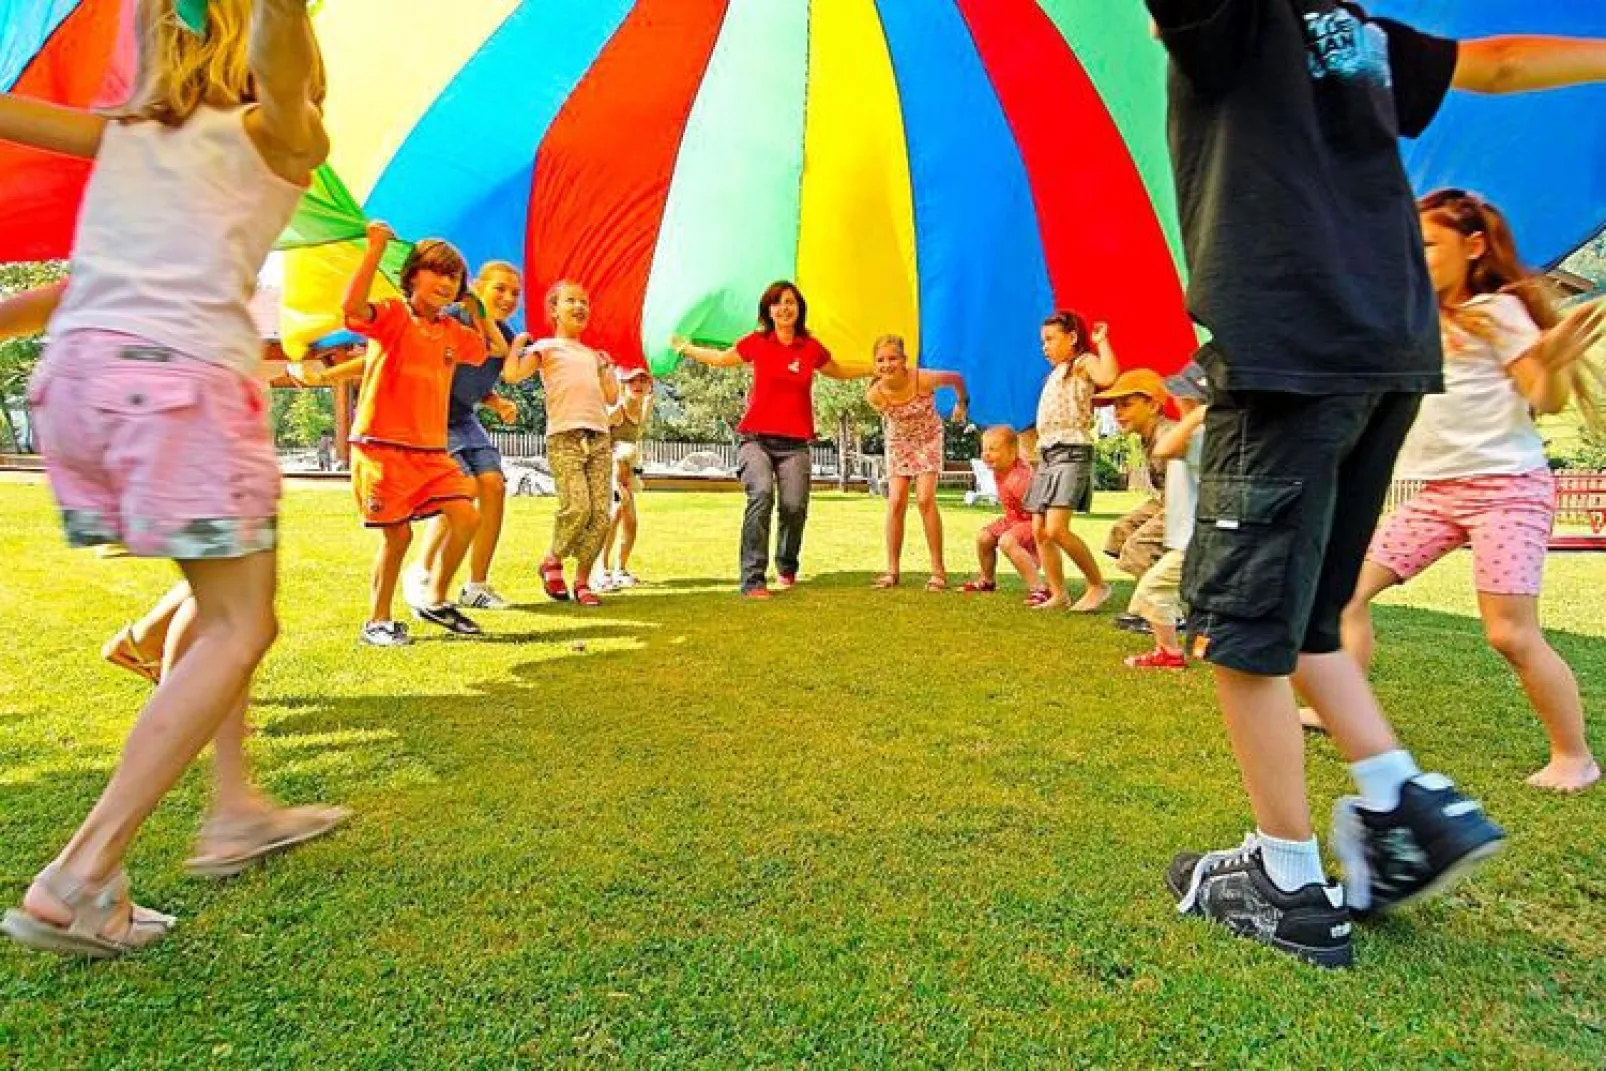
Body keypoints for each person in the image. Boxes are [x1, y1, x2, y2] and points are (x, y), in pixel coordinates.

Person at [1147, 0, 1606, 967]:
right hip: (1386, 350)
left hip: (1290, 344)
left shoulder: (1228, 18)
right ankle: (1400, 805)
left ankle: (1284, 877)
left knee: (1243, 626)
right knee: (1312, 609)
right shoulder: (1359, 31)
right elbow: (1500, 64)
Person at [0, 0, 346, 958]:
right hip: (180, 384)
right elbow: (283, 70)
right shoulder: (284, 133)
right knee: (244, 622)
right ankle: (81, 871)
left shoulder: (123, 135)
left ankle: (235, 804)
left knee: (213, 603)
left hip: (77, 385)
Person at [1306, 191, 1606, 792]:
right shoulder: (1417, 318)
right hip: (1436, 494)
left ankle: (1574, 756)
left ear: (1472, 247)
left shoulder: (1497, 311)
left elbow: (1540, 400)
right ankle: (1334, 707)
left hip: (1507, 490)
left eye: (1428, 245)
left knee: (1509, 633)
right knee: (1344, 595)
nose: (1415, 257)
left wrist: (1554, 362)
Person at [333, 224, 504, 644]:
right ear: (412, 276)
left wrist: (476, 307)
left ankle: (435, 599)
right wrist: (375, 248)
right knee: (398, 534)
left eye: (453, 277)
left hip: (430, 451)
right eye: (436, 272)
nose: (445, 282)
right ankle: (377, 620)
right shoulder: (393, 315)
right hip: (382, 447)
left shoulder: (450, 331)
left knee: (466, 516)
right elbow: (352, 309)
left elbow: (492, 350)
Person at [671, 281, 868, 599]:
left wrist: (873, 368)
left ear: (799, 308)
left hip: (795, 443)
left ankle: (786, 564)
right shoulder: (758, 342)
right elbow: (722, 359)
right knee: (761, 495)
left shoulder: (810, 347)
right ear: (768, 311)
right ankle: (753, 580)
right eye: (777, 303)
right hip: (756, 440)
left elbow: (838, 369)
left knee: (794, 506)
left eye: (790, 302)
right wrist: (687, 348)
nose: (784, 308)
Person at [403, 261, 528, 612]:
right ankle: (423, 570)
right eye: (499, 288)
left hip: (463, 417)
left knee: (494, 486)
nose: (507, 298)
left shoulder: (500, 333)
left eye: (514, 293)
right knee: (462, 489)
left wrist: (496, 400)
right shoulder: (449, 320)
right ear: (477, 287)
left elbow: (473, 384)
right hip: (431, 417)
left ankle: (476, 585)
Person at [505, 281, 618, 607]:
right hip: (564, 436)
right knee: (577, 507)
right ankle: (552, 559)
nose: (580, 307)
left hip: (599, 436)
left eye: (584, 301)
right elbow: (512, 376)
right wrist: (517, 345)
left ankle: (582, 581)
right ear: (554, 310)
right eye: (571, 301)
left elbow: (611, 397)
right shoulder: (547, 348)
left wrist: (608, 370)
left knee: (601, 515)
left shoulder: (593, 356)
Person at [1023, 311, 1117, 612]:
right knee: (1039, 529)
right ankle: (1058, 592)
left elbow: (1108, 377)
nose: (1044, 347)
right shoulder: (1056, 372)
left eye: (1050, 339)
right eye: (1042, 341)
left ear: (1072, 337)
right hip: (1048, 453)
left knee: (1056, 529)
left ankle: (1098, 585)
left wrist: (1102, 344)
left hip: (1071, 450)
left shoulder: (1083, 363)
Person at [865, 335, 970, 591]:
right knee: (896, 501)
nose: (887, 364)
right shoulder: (875, 395)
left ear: (904, 360)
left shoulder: (922, 379)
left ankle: (938, 570)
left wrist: (961, 402)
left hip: (928, 439)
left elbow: (956, 378)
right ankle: (892, 570)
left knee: (925, 499)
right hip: (899, 443)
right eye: (880, 360)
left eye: (892, 358)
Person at [1122, 363, 1209, 669]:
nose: (1177, 401)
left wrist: (1198, 416)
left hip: (1197, 537)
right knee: (1190, 594)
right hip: (1188, 536)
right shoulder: (1195, 431)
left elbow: (1165, 449)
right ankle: (1178, 648)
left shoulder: (1198, 434)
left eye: (1184, 397)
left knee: (1154, 588)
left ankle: (1170, 652)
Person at [1092, 369, 1176, 630]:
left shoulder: (1167, 436)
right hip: (1168, 499)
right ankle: (1149, 599)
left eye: (1126, 404)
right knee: (1122, 531)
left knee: (1139, 546)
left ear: (1153, 405)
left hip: (1189, 505)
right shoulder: (1146, 437)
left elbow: (1184, 495)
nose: (1118, 412)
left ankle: (1164, 613)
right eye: (1116, 406)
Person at [962, 426, 1043, 596]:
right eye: (984, 449)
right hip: (1013, 519)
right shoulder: (1000, 469)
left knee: (1007, 541)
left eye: (993, 449)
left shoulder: (1018, 478)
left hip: (1031, 520)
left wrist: (1036, 544)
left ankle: (1038, 588)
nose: (986, 454)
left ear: (1013, 453)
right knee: (984, 538)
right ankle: (987, 580)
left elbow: (1039, 509)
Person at [601, 366, 654, 590]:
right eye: (632, 381)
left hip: (627, 471)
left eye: (643, 380)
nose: (638, 385)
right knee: (613, 515)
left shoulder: (640, 411)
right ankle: (600, 571)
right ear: (623, 384)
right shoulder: (616, 412)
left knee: (630, 521)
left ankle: (620, 569)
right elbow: (597, 435)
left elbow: (637, 433)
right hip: (609, 469)